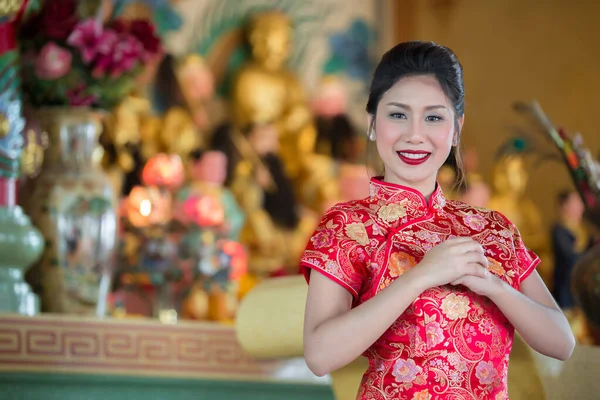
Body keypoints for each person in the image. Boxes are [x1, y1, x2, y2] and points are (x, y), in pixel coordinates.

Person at [301, 41, 575, 399]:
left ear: (457, 127)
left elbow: (562, 342)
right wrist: (422, 275)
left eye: (434, 117)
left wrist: (493, 285)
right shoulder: (349, 226)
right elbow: (320, 355)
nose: (415, 134)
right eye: (398, 114)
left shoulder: (493, 228)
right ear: (372, 123)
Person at [551, 189, 592, 309]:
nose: (580, 207)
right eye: (575, 203)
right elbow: (570, 256)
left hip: (583, 281)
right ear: (565, 206)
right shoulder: (559, 230)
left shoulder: (584, 229)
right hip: (567, 283)